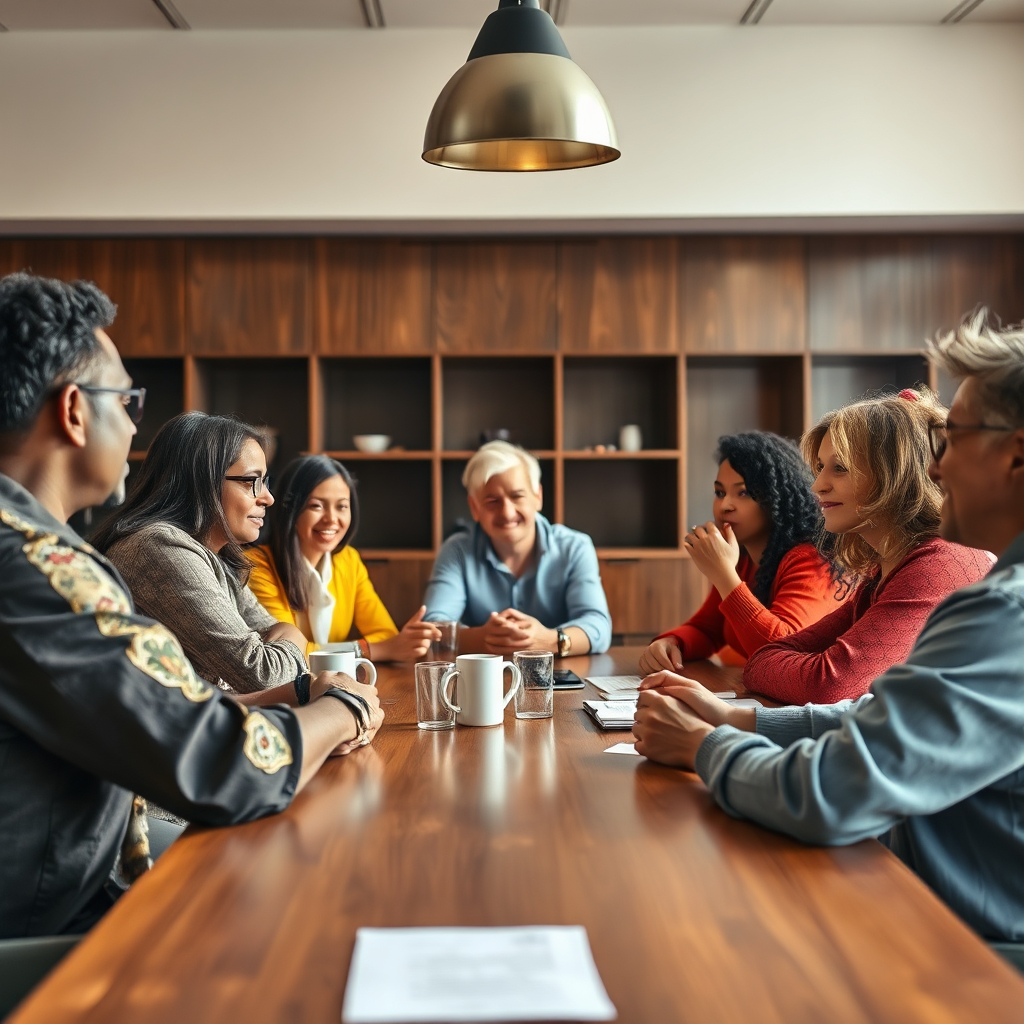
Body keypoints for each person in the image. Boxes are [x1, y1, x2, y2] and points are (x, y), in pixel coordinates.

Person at [0, 272, 382, 939]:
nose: (134, 424)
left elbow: (179, 710)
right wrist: (342, 707)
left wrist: (302, 690)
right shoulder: (37, 569)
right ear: (73, 411)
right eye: (129, 401)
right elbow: (226, 765)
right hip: (54, 930)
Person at [632, 308, 1024, 942]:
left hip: (977, 948)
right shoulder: (946, 583)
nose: (936, 467)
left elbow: (832, 732)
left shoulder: (994, 603)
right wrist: (739, 716)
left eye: (953, 440)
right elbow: (872, 711)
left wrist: (704, 747)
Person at [735, 388, 992, 704]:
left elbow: (828, 684)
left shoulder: (941, 563)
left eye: (839, 468)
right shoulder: (886, 571)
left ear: (896, 475)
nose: (818, 485)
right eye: (819, 467)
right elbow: (766, 657)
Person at [94, 412, 311, 693]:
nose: (268, 497)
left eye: (266, 481)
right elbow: (263, 674)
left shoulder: (219, 557)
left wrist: (284, 639)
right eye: (250, 481)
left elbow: (269, 645)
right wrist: (294, 637)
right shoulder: (159, 548)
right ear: (201, 481)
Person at [639, 432, 838, 674]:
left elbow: (780, 652)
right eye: (720, 493)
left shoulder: (812, 559)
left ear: (777, 500)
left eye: (743, 493)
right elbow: (708, 629)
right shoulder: (742, 558)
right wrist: (672, 642)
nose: (725, 506)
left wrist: (724, 575)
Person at [423, 441, 612, 656]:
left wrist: (550, 640)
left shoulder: (574, 547)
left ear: (537, 496)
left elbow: (598, 626)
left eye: (517, 496)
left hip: (559, 680)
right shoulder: (456, 551)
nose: (507, 512)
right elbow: (433, 627)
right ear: (475, 508)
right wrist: (483, 638)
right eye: (493, 501)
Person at [246, 455, 440, 661]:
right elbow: (287, 654)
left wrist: (385, 645)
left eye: (342, 506)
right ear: (290, 509)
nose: (332, 519)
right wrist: (372, 650)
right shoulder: (256, 565)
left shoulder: (348, 560)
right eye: (316, 506)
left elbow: (386, 634)